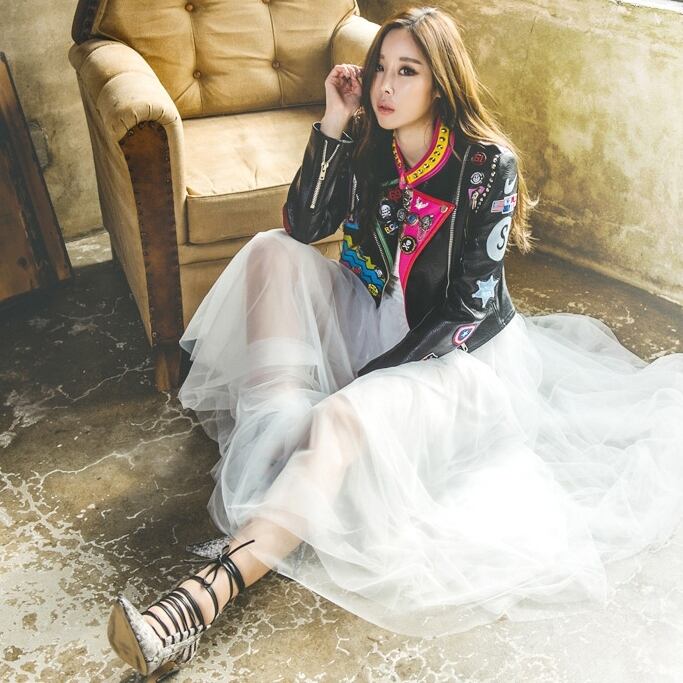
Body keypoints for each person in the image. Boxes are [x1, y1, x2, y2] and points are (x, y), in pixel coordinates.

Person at [107, 6, 683, 680]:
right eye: (380, 67)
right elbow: (303, 226)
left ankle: (198, 602)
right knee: (269, 250)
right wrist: (333, 121)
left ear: (440, 82)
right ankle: (282, 435)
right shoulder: (369, 141)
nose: (384, 85)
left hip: (453, 359)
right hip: (374, 312)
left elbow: (466, 310)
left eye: (406, 72)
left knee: (343, 417)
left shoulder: (485, 165)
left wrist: (366, 384)